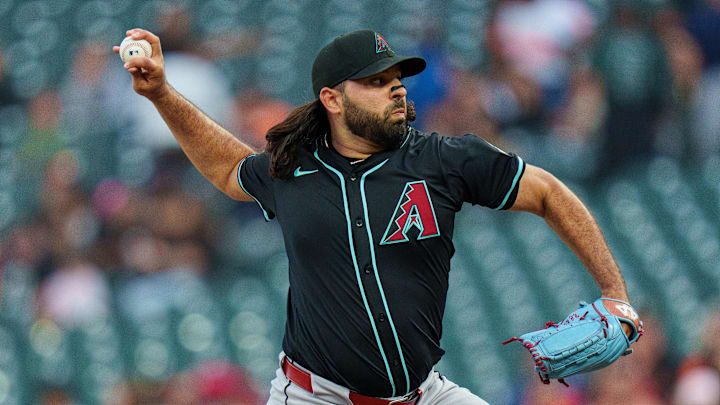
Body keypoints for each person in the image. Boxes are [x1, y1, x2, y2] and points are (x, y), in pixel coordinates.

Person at [114, 28, 636, 405]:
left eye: (397, 77)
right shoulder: (295, 172)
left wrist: (615, 292)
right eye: (376, 80)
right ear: (332, 99)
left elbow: (547, 192)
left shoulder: (443, 159)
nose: (397, 87)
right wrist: (160, 92)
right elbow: (230, 170)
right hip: (317, 398)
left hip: (423, 394)